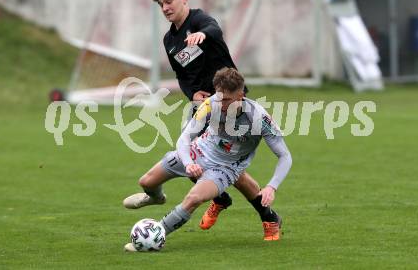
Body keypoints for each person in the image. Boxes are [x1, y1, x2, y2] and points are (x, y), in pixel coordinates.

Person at [123, 0, 282, 238]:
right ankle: (219, 197)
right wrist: (192, 96)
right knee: (193, 155)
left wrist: (202, 35)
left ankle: (265, 214)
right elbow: (182, 76)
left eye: (169, 1)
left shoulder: (199, 21)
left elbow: (214, 29)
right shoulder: (169, 40)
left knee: (231, 169)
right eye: (161, 4)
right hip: (203, 106)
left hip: (230, 103)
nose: (165, 8)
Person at [124, 68, 292, 251]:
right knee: (147, 182)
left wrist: (271, 186)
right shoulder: (211, 104)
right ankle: (156, 198)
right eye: (219, 97)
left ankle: (155, 235)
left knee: (193, 198)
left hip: (225, 167)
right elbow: (184, 139)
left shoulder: (259, 117)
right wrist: (189, 163)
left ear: (241, 95)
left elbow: (285, 156)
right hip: (200, 150)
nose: (222, 103)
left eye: (227, 100)